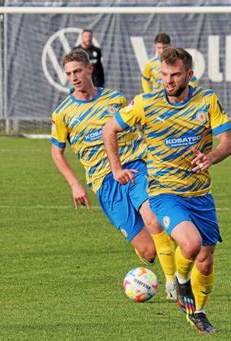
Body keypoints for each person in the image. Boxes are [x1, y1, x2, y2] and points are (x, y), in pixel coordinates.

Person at [103, 47, 231, 334]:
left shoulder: (206, 100)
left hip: (200, 194)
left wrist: (210, 158)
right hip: (164, 192)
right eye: (164, 75)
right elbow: (109, 129)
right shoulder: (146, 104)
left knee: (206, 260)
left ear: (190, 74)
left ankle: (197, 312)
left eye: (175, 75)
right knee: (190, 244)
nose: (168, 81)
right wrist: (115, 168)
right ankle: (179, 280)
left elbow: (227, 141)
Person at [51, 49, 177, 300]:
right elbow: (57, 153)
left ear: (89, 69)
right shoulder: (63, 113)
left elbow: (139, 127)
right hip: (105, 184)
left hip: (134, 167)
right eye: (68, 74)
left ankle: (174, 283)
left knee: (152, 219)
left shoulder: (115, 99)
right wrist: (75, 185)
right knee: (149, 250)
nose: (74, 77)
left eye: (77, 71)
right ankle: (155, 257)